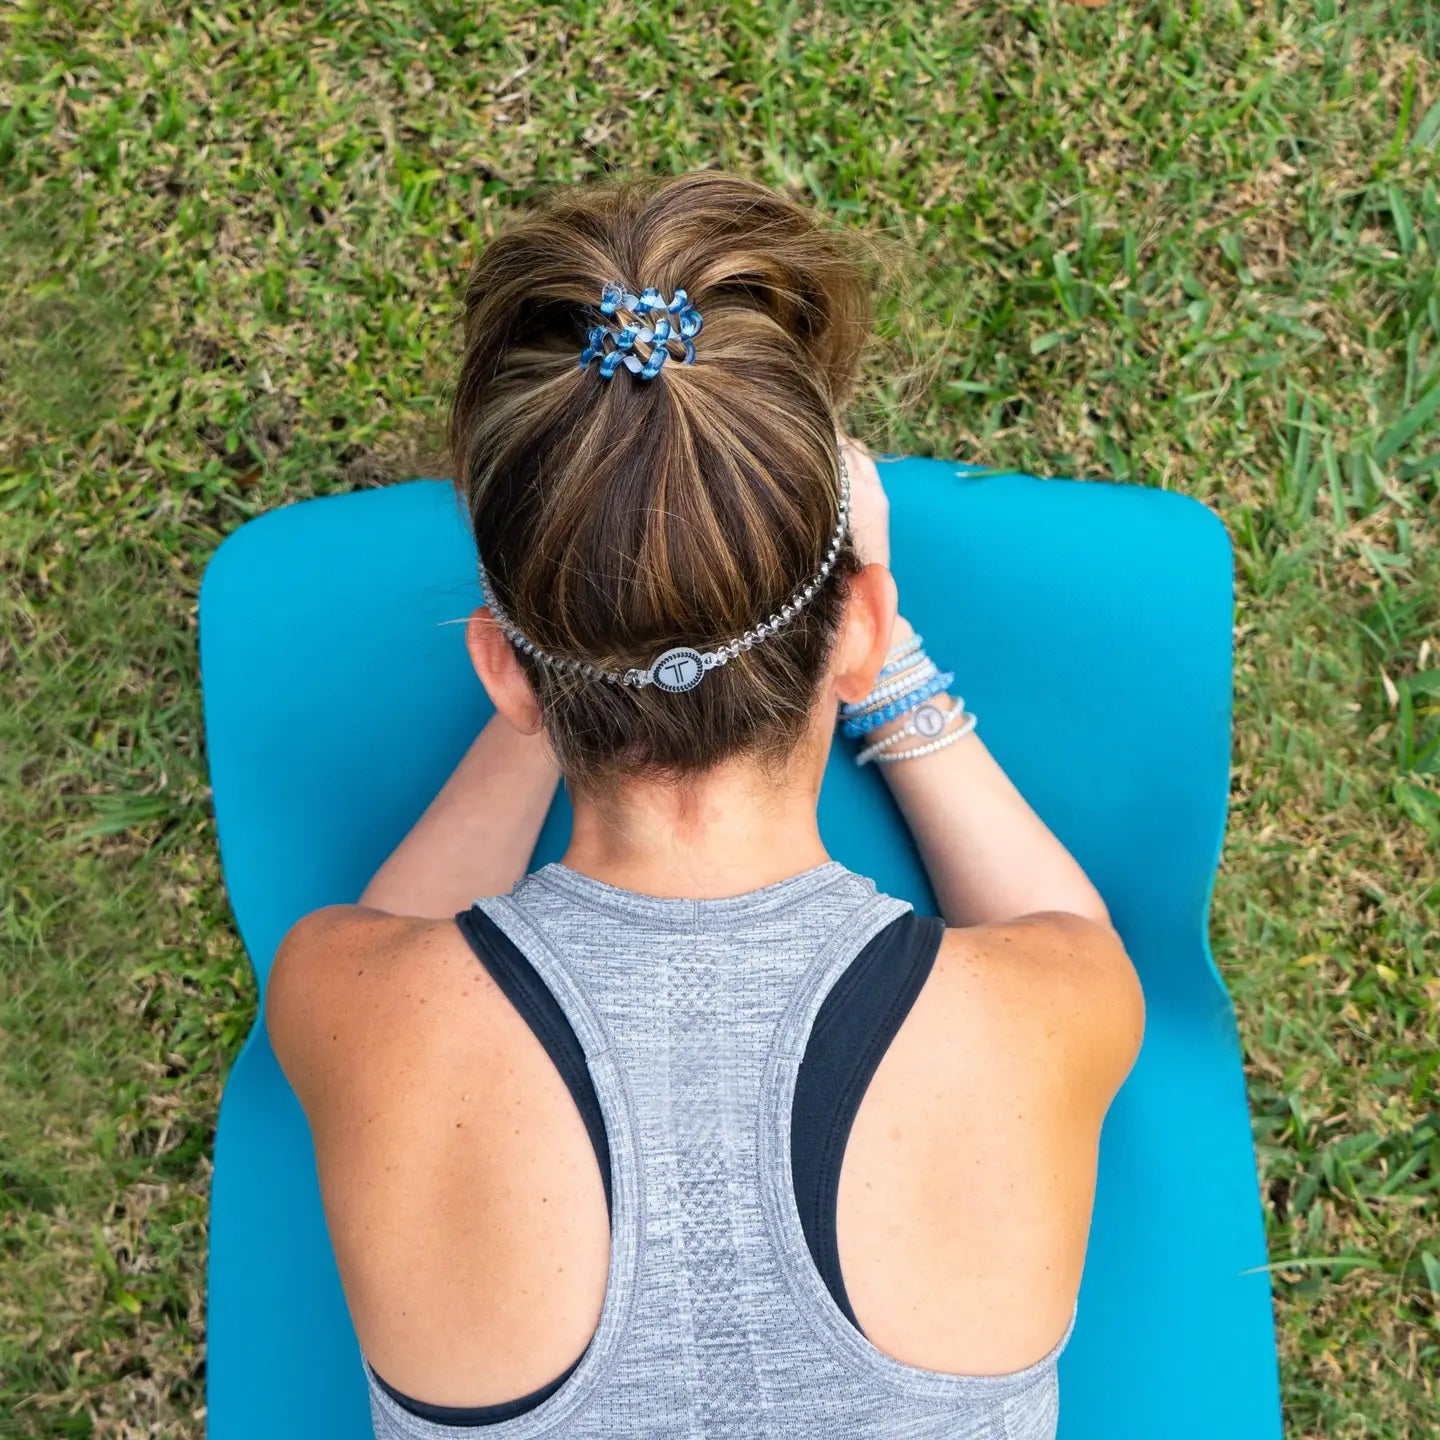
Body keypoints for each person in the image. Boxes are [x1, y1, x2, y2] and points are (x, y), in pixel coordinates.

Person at [266, 170, 1145, 1440]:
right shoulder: (1044, 1012)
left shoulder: (344, 1000)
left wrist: (562, 672)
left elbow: (403, 929)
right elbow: (1072, 931)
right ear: (858, 628)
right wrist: (885, 671)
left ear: (500, 665)